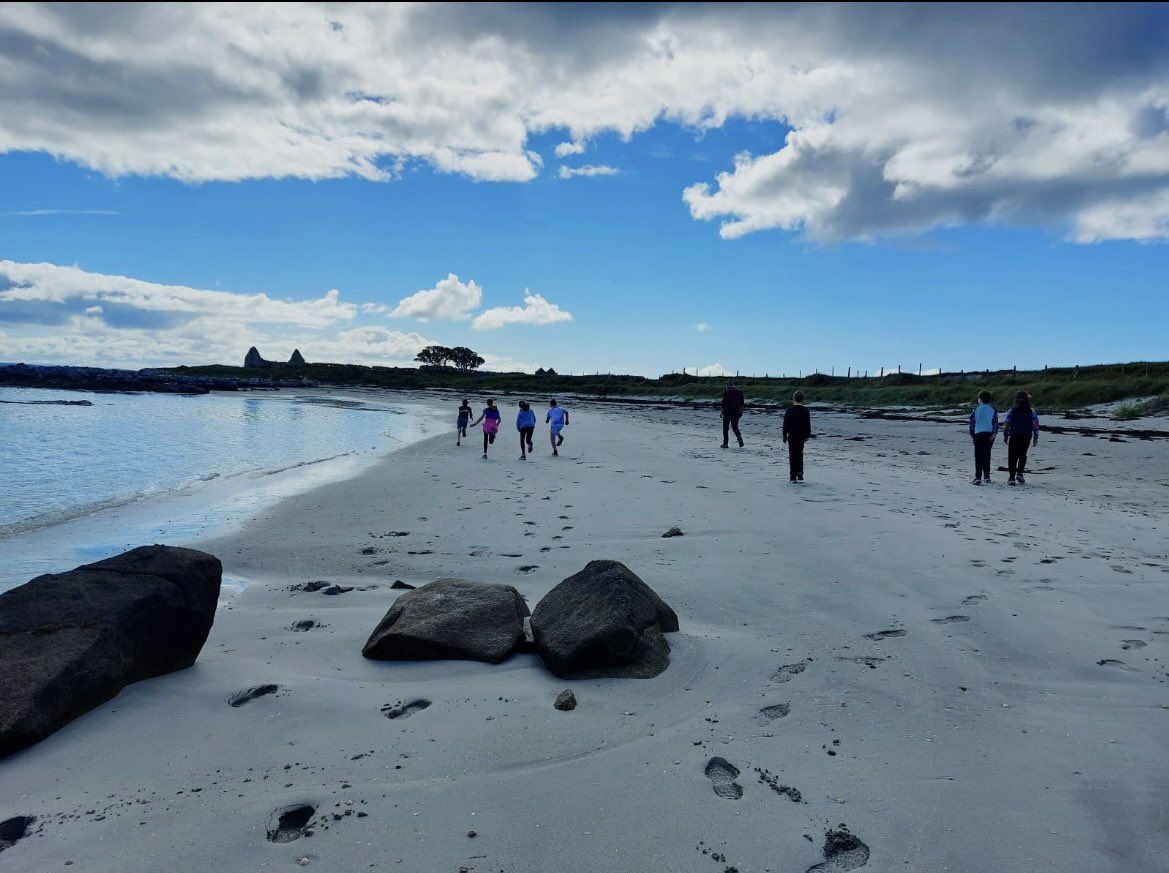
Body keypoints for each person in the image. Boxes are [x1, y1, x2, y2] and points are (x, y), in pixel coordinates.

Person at [1003, 391, 1039, 485]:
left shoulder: (1012, 410)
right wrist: (1036, 436)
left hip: (1014, 434)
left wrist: (1005, 434)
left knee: (1012, 456)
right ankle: (1019, 473)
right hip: (1026, 435)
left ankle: (1011, 477)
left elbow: (1007, 423)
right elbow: (1035, 425)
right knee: (1023, 454)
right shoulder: (1031, 411)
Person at [968, 390, 999, 485]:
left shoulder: (976, 410)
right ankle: (987, 476)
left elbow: (972, 423)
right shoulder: (993, 409)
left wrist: (973, 435)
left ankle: (978, 477)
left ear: (980, 399)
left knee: (978, 455)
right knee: (987, 454)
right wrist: (994, 433)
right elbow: (995, 422)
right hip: (989, 433)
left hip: (978, 433)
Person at [781, 391, 812, 482]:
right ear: (803, 399)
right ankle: (800, 472)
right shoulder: (806, 410)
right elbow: (807, 424)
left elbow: (785, 424)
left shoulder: (789, 410)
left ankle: (793, 475)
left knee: (792, 455)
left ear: (793, 399)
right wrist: (807, 435)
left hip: (792, 435)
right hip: (801, 435)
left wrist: (784, 435)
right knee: (799, 453)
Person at [721, 382, 746, 448]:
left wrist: (721, 412)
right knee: (735, 426)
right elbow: (742, 404)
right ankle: (739, 438)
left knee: (725, 428)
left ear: (728, 387)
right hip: (736, 412)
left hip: (727, 412)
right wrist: (741, 412)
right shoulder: (740, 392)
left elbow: (724, 404)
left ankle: (725, 443)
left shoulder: (726, 393)